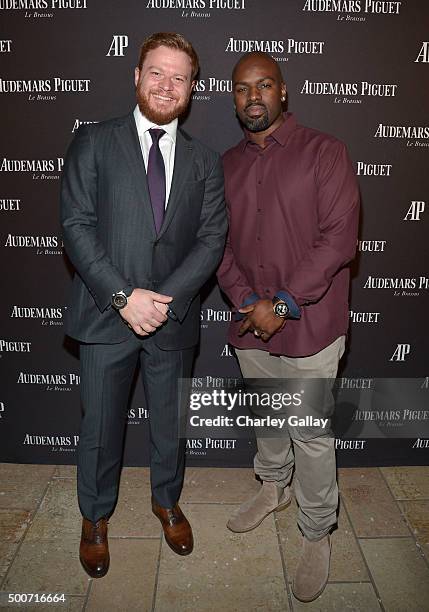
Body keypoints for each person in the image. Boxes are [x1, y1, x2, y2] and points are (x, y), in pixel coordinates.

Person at [60, 32, 227, 578]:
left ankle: (166, 501)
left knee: (168, 428)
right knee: (100, 427)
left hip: (172, 321)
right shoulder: (93, 141)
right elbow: (77, 227)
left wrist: (163, 302)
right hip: (106, 316)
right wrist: (122, 296)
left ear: (192, 90)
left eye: (180, 77)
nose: (167, 85)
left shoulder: (205, 160)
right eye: (157, 72)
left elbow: (211, 240)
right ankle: (95, 517)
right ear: (136, 75)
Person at [217, 52, 359, 603]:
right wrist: (248, 301)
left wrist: (280, 304)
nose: (254, 96)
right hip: (250, 317)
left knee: (311, 434)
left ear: (284, 91)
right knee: (268, 414)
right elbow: (219, 246)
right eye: (242, 89)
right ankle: (273, 485)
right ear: (234, 99)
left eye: (264, 85)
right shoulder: (224, 164)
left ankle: (318, 528)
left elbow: (337, 243)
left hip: (310, 322)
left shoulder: (325, 152)